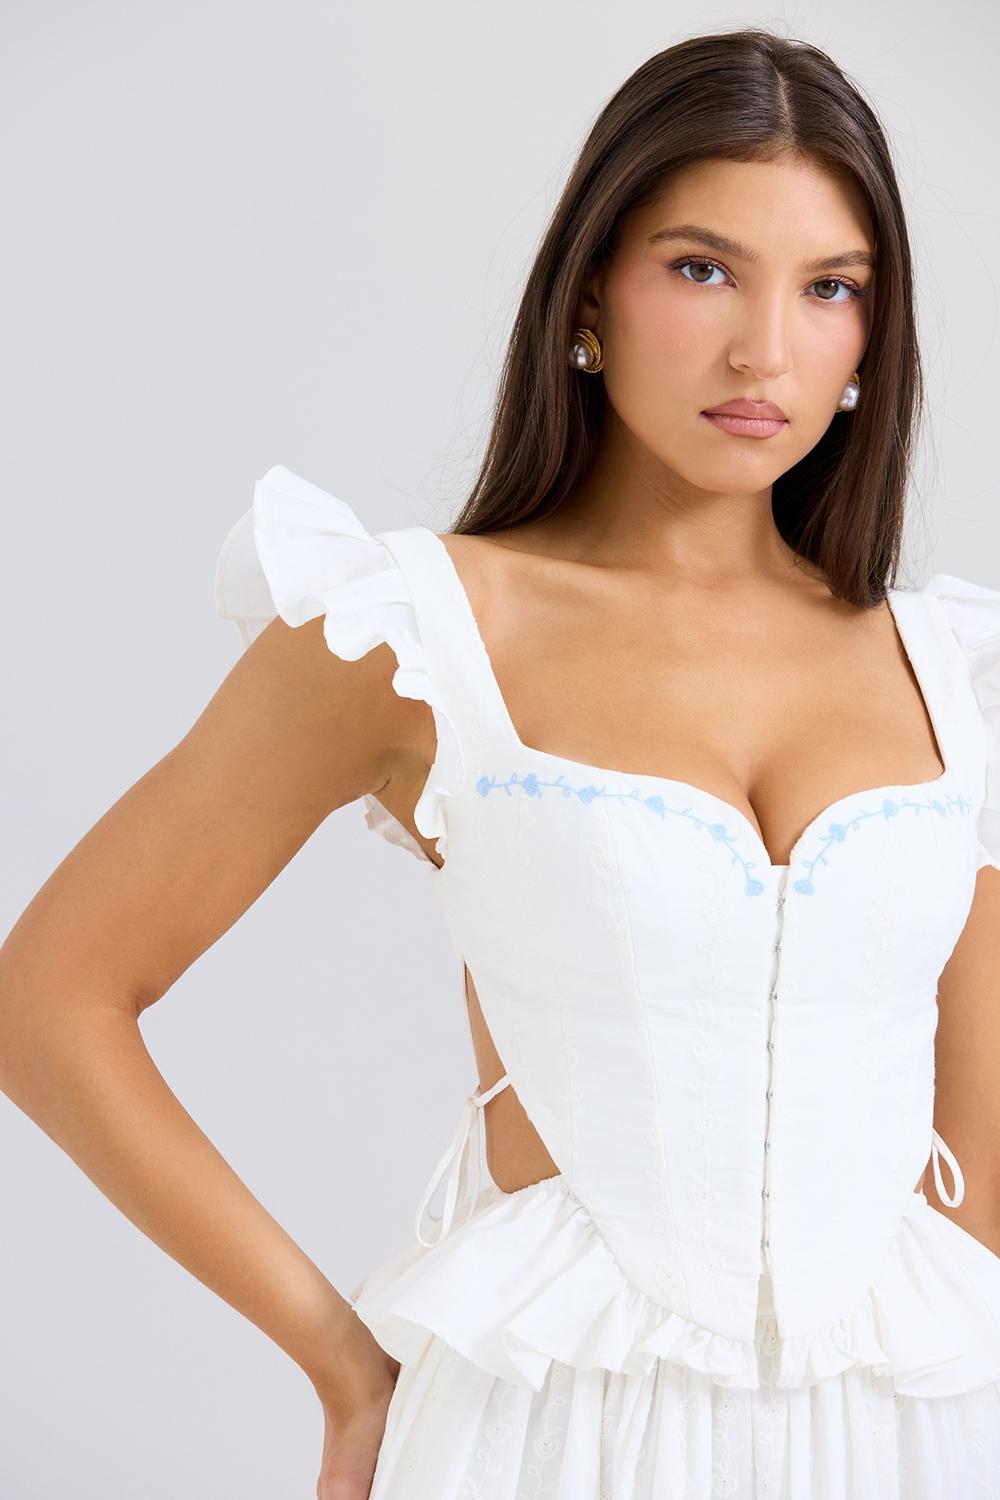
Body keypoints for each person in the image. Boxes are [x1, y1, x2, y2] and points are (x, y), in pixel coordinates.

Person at [2, 25, 999, 1499]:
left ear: (875, 334)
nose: (764, 351)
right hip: (549, 1442)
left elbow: (979, 1170)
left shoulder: (947, 668)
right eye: (703, 268)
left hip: (913, 1439)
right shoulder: (413, 631)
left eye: (830, 287)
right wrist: (345, 1367)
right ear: (589, 292)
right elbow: (49, 1000)